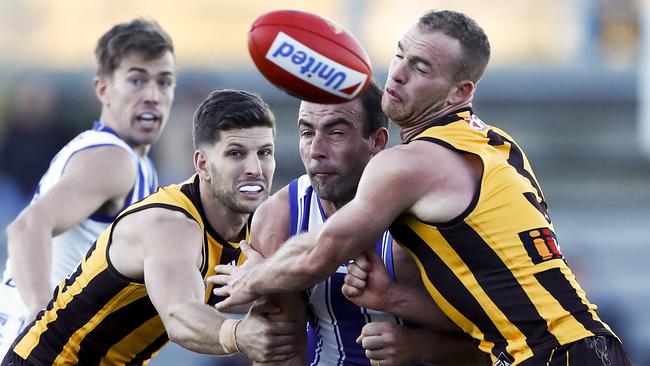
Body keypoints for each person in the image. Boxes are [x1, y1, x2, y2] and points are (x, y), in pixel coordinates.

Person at [212, 10, 634, 366]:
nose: (397, 75)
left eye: (421, 68)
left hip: (549, 354)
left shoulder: (410, 163)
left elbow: (321, 253)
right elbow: (493, 291)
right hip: (581, 346)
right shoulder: (496, 144)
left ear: (460, 92)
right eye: (399, 55)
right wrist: (393, 299)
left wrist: (252, 279)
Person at [2, 89, 298, 365]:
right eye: (236, 153)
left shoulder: (261, 223)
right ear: (203, 165)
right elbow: (179, 313)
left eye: (265, 153)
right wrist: (237, 334)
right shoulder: (169, 225)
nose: (254, 169)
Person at [247, 82, 485, 366]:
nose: (316, 150)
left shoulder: (429, 215)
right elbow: (278, 352)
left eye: (336, 133)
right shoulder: (280, 216)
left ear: (377, 141)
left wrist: (419, 346)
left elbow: (496, 341)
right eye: (307, 133)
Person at [0, 18, 175, 357]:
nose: (153, 95)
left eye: (164, 82)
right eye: (137, 80)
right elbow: (25, 227)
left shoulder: (134, 163)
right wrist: (43, 325)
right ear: (103, 89)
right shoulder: (112, 160)